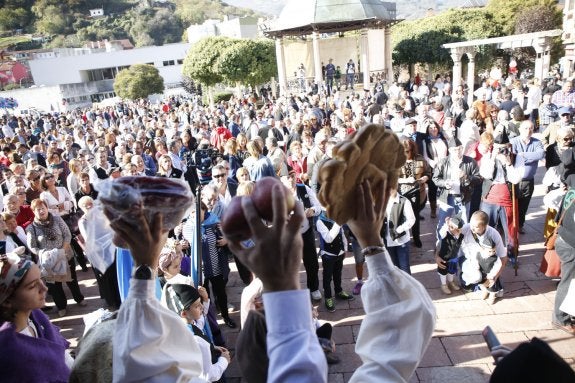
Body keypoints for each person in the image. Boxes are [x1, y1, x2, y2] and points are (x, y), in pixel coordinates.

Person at [0, 253, 73, 381]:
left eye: (41, 279)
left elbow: (61, 353)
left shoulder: (36, 316)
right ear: (6, 300)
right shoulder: (10, 351)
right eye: (32, 286)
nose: (44, 288)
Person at [26, 199, 86, 318]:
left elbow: (67, 235)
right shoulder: (31, 228)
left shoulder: (57, 219)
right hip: (48, 261)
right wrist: (46, 254)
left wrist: (61, 251)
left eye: (43, 208)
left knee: (71, 279)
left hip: (65, 254)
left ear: (47, 208)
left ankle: (79, 298)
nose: (41, 211)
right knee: (54, 285)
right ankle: (61, 306)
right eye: (38, 209)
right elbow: (32, 246)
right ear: (33, 212)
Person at [171, 284, 231, 382]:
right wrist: (224, 360)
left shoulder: (178, 327)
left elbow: (200, 321)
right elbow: (208, 375)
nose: (201, 307)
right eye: (197, 306)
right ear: (184, 313)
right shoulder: (198, 341)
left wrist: (212, 347)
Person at [281, 168, 322, 301]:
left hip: (306, 233)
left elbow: (318, 206)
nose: (291, 179)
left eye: (292, 176)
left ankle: (314, 288)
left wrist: (312, 210)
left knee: (312, 263)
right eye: (287, 177)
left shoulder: (303, 188)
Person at [432, 137, 481, 239]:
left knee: (463, 222)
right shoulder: (443, 162)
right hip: (446, 197)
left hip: (463, 197)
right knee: (443, 222)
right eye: (455, 149)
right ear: (449, 150)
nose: (457, 151)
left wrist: (466, 177)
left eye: (459, 148)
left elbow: (478, 178)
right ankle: (440, 244)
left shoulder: (470, 162)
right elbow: (435, 178)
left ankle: (462, 244)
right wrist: (445, 183)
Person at [459, 211, 507, 304]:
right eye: (471, 224)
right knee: (476, 277)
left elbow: (503, 259)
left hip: (489, 263)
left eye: (476, 227)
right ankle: (465, 278)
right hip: (470, 259)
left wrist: (494, 277)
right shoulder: (466, 228)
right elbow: (448, 236)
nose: (472, 228)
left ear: (484, 226)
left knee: (495, 287)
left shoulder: (494, 234)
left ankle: (491, 292)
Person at [316, 209, 354, 312]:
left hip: (339, 252)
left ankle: (339, 291)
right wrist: (337, 223)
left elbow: (342, 234)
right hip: (328, 254)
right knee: (327, 277)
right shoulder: (320, 221)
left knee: (338, 274)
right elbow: (329, 238)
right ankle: (328, 297)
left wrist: (345, 248)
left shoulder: (336, 218)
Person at [510, 120, 545, 233]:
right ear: (520, 129)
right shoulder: (514, 142)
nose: (528, 131)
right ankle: (512, 226)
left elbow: (540, 154)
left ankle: (520, 225)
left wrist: (522, 156)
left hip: (528, 180)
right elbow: (512, 157)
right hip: (514, 181)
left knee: (524, 206)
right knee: (513, 205)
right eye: (525, 128)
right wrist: (530, 157)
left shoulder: (537, 142)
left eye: (531, 128)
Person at [552, 187, 575, 334]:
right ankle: (560, 318)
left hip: (563, 238)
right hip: (570, 245)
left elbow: (558, 216)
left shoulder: (571, 191)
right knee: (568, 281)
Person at [383, 187, 416, 274]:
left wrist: (399, 230)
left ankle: (407, 287)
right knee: (394, 267)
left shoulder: (404, 201)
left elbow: (411, 220)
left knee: (404, 267)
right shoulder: (383, 200)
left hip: (401, 241)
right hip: (388, 240)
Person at [435, 215, 464, 295]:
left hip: (454, 258)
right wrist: (446, 223)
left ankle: (451, 282)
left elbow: (462, 245)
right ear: (450, 227)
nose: (458, 232)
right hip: (444, 258)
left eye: (459, 230)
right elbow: (442, 231)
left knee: (452, 272)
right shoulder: (445, 234)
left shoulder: (460, 236)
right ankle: (443, 284)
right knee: (443, 272)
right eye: (457, 230)